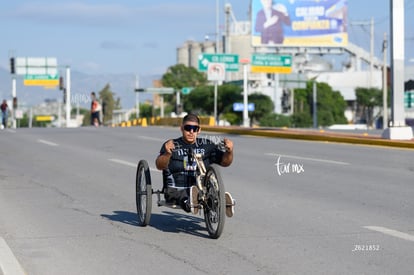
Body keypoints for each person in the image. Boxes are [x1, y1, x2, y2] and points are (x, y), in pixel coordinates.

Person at [155, 113, 235, 217]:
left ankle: (220, 201)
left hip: (202, 189)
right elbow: (159, 165)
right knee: (183, 196)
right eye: (188, 128)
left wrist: (229, 151)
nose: (191, 132)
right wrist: (167, 154)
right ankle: (189, 202)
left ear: (199, 130)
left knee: (207, 192)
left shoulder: (207, 145)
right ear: (182, 128)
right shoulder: (172, 144)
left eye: (195, 128)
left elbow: (225, 162)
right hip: (177, 188)